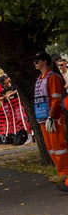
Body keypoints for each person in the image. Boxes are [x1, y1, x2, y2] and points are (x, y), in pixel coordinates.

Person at [32, 51, 68, 190]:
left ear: (45, 62)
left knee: (59, 146)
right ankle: (61, 172)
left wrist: (52, 116)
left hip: (53, 118)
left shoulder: (52, 77)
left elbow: (56, 98)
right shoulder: (40, 78)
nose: (35, 63)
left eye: (37, 61)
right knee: (51, 148)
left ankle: (64, 172)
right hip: (43, 117)